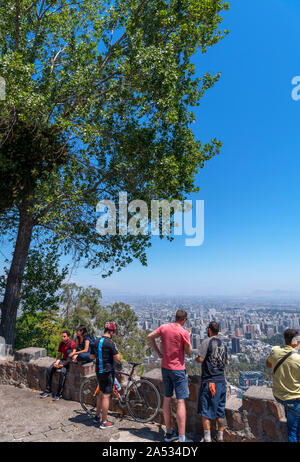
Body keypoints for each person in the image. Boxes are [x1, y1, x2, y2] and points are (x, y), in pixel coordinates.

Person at [147, 309, 193, 442]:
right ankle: (182, 438)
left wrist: (158, 353)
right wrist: (188, 336)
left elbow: (150, 336)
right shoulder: (183, 332)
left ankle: (169, 433)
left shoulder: (164, 327)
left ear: (176, 317)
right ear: (183, 320)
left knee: (167, 399)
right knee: (180, 401)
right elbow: (188, 351)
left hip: (165, 368)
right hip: (178, 370)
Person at [196, 321, 228, 442]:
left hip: (210, 382)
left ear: (209, 330)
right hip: (221, 382)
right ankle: (220, 436)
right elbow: (225, 362)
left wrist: (196, 358)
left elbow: (200, 359)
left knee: (205, 411)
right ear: (218, 331)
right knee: (220, 411)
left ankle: (207, 438)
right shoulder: (223, 344)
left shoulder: (206, 342)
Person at [266, 328, 300, 442]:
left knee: (292, 419)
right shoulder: (298, 358)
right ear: (296, 341)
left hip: (279, 395)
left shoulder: (275, 350)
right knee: (293, 431)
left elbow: (268, 364)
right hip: (293, 398)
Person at [90, 322, 121, 429]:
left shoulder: (96, 341)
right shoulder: (110, 343)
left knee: (101, 393)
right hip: (108, 371)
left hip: (99, 370)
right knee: (106, 396)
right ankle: (104, 421)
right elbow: (118, 358)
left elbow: (91, 356)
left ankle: (97, 416)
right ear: (111, 332)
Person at [40, 330, 75, 400]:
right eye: (62, 336)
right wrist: (56, 363)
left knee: (62, 372)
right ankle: (48, 390)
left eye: (64, 336)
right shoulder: (61, 343)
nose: (62, 338)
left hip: (69, 362)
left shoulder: (72, 344)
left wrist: (62, 366)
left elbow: (71, 357)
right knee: (49, 369)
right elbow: (59, 356)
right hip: (62, 360)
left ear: (68, 337)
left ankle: (59, 393)